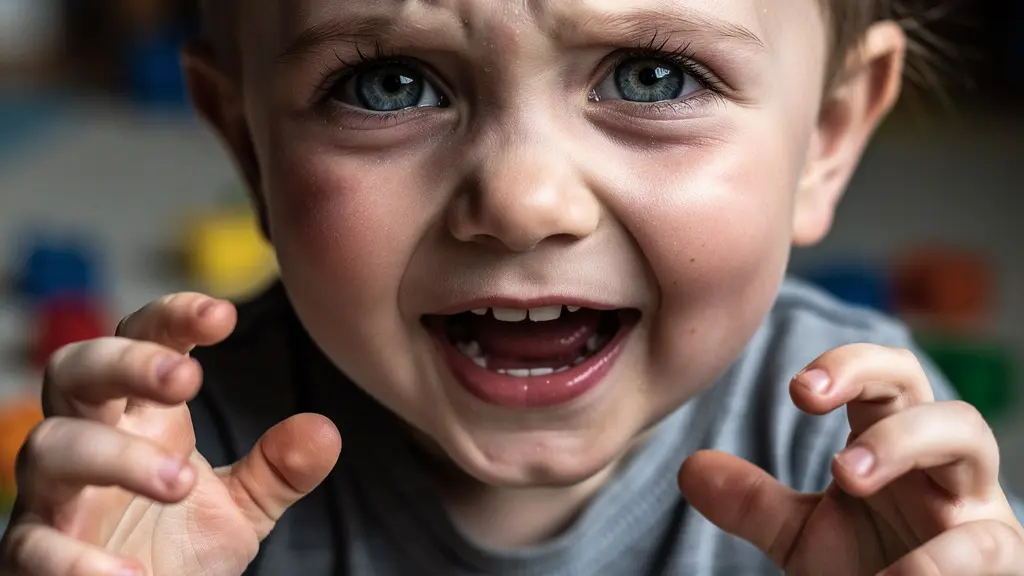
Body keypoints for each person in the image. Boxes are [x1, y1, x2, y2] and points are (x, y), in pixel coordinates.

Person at [3, 1, 1023, 574]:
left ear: (826, 137)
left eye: (650, 76)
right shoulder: (185, 466)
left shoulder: (852, 443)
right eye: (389, 83)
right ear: (247, 146)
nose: (522, 200)